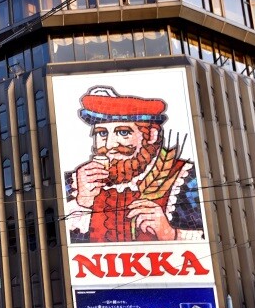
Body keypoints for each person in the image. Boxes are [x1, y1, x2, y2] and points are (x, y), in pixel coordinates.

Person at [64, 87, 204, 244]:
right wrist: (81, 202)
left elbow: (216, 238)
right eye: (102, 133)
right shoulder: (75, 183)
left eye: (123, 133)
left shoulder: (186, 178)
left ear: (151, 135)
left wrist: (171, 234)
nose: (110, 145)